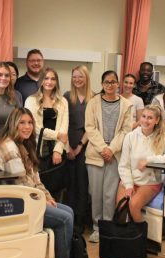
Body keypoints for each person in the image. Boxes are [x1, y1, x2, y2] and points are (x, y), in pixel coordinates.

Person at [0, 107, 76, 258]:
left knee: (68, 211)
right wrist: (42, 201)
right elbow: (22, 187)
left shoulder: (24, 145)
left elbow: (35, 179)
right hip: (15, 205)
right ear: (14, 124)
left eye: (29, 123)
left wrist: (48, 197)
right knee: (65, 219)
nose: (27, 127)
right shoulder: (10, 148)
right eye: (22, 123)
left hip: (27, 200)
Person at [85, 70, 132, 243]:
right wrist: (103, 148)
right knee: (96, 193)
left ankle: (107, 228)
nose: (110, 85)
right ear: (102, 84)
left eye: (113, 82)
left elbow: (126, 130)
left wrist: (111, 149)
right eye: (106, 82)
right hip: (96, 154)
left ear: (118, 83)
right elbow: (90, 128)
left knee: (109, 194)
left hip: (115, 155)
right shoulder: (93, 102)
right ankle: (97, 228)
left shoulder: (126, 105)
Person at [117, 105, 165, 222]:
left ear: (157, 120)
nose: (145, 120)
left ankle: (140, 239)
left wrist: (150, 160)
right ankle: (125, 239)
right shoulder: (130, 137)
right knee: (121, 208)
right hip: (130, 179)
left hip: (150, 182)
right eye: (144, 116)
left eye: (150, 118)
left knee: (133, 205)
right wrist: (129, 185)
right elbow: (123, 165)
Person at [25, 67, 68, 197]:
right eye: (46, 78)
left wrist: (58, 150)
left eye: (53, 79)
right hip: (36, 151)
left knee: (55, 190)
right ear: (41, 81)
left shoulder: (62, 101)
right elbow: (33, 127)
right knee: (37, 190)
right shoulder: (31, 100)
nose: (49, 81)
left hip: (56, 153)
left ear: (56, 82)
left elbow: (64, 129)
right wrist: (56, 135)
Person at [63, 65, 94, 233]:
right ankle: (70, 218)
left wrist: (80, 146)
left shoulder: (94, 98)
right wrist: (69, 148)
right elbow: (62, 123)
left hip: (86, 145)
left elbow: (92, 126)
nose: (77, 80)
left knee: (83, 183)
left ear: (86, 77)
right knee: (70, 183)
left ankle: (81, 220)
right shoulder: (67, 97)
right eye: (74, 77)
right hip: (68, 143)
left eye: (80, 76)